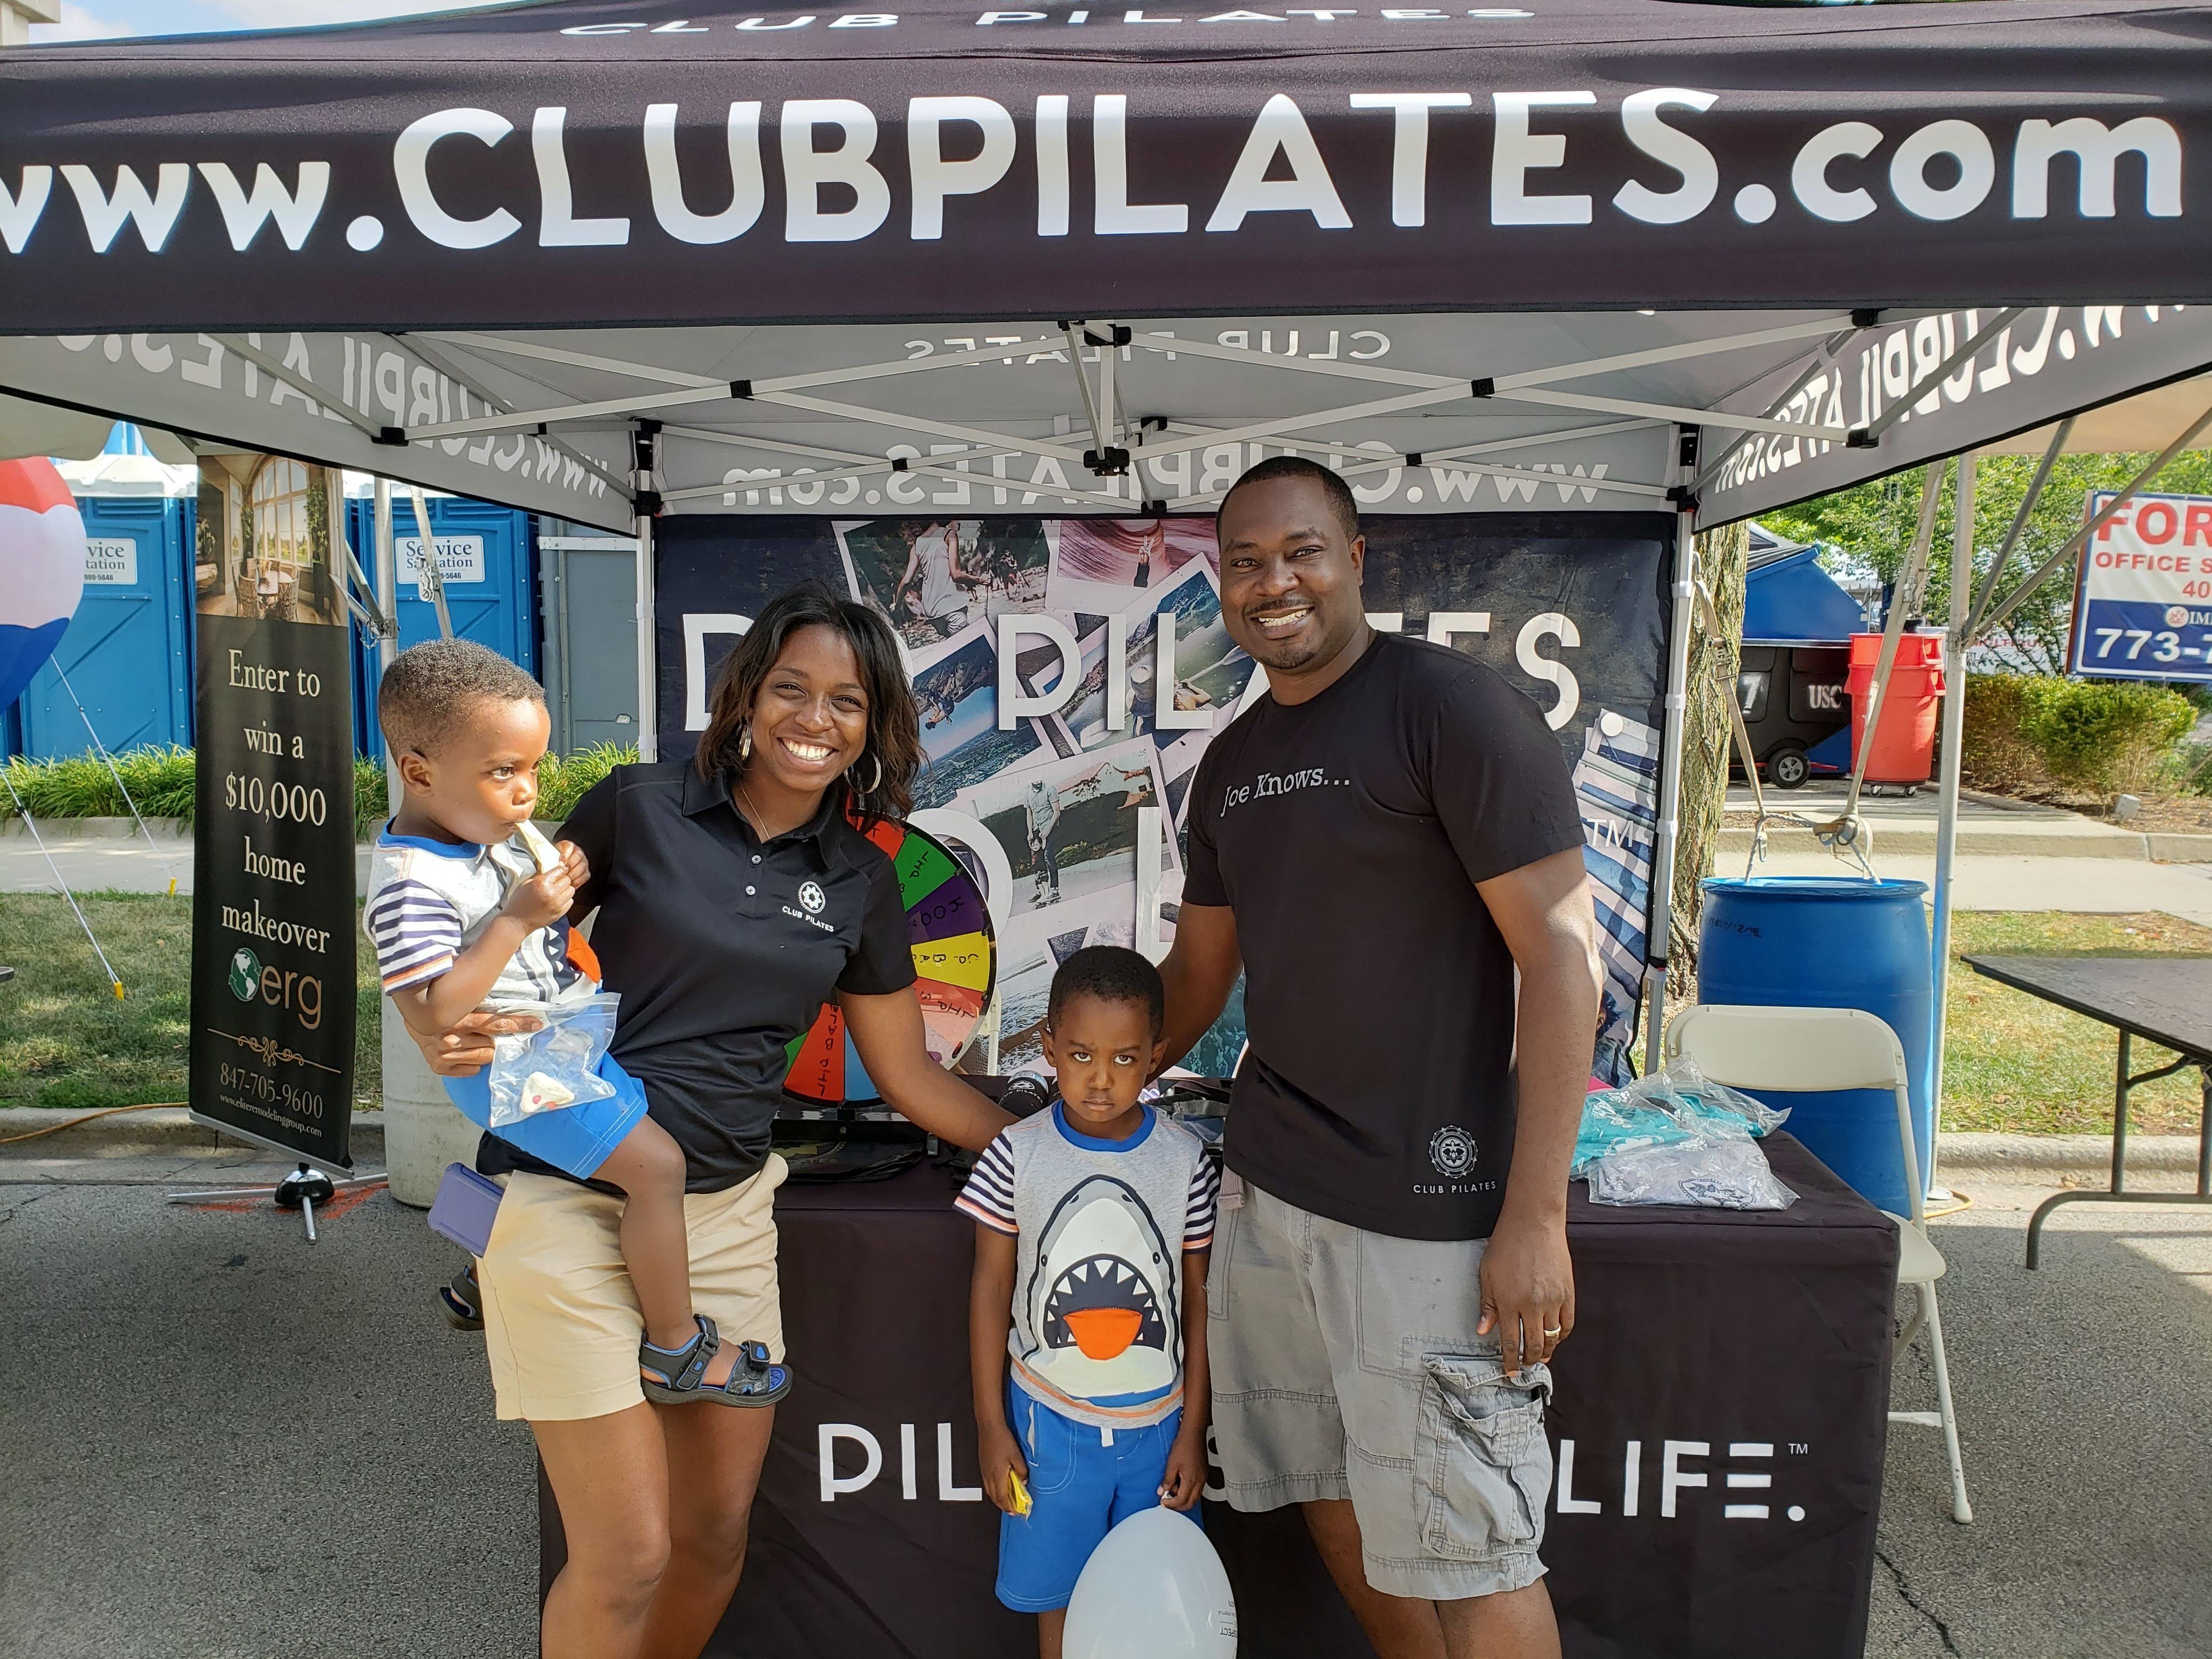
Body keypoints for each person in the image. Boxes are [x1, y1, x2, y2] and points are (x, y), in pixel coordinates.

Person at [410, 583, 1013, 1659]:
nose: (812, 719)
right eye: (791, 689)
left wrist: (1049, 1149)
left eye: (845, 700)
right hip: (564, 1196)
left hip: (726, 1219)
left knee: (713, 1539)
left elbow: (911, 1081)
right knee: (627, 1555)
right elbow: (509, 929)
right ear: (745, 695)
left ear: (874, 725)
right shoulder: (634, 805)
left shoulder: (864, 881)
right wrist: (447, 1022)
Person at [1155, 455, 1602, 1659]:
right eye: (1244, 561)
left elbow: (1564, 961)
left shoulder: (1447, 709)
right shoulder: (1234, 763)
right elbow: (1195, 983)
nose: (1273, 581)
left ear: (1356, 561)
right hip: (1273, 1193)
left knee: (1475, 1545)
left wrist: (1536, 1217)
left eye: (1301, 551)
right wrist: (1073, 1088)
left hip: (1433, 1215)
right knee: (1328, 1491)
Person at [365, 640, 777, 1407]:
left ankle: (481, 1278)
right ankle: (675, 1349)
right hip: (519, 1065)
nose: (525, 794)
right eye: (502, 773)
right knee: (656, 1171)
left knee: (615, 1155)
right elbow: (432, 1009)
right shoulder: (411, 884)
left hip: (550, 1042)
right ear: (419, 772)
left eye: (532, 769)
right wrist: (518, 921)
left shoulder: (467, 839)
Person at [961, 946, 1217, 1659]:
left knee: (1156, 1603)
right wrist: (991, 1425)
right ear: (1047, 1045)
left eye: (1126, 1059)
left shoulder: (1186, 1162)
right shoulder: (1016, 1155)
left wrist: (1193, 1430)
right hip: (1050, 1429)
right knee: (1062, 1603)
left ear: (1157, 1055)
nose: (1101, 1080)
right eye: (1079, 1054)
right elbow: (990, 1288)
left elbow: (1198, 1303)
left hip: (1158, 1432)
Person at [1024, 776, 1065, 904]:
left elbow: (1057, 812)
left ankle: (1054, 890)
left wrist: (1047, 831)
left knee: (1048, 857)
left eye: (1039, 783)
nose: (1038, 785)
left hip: (1050, 827)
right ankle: (1041, 892)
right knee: (1038, 861)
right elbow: (1029, 814)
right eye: (1035, 783)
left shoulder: (1050, 789)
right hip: (1037, 829)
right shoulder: (1027, 793)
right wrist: (1030, 832)